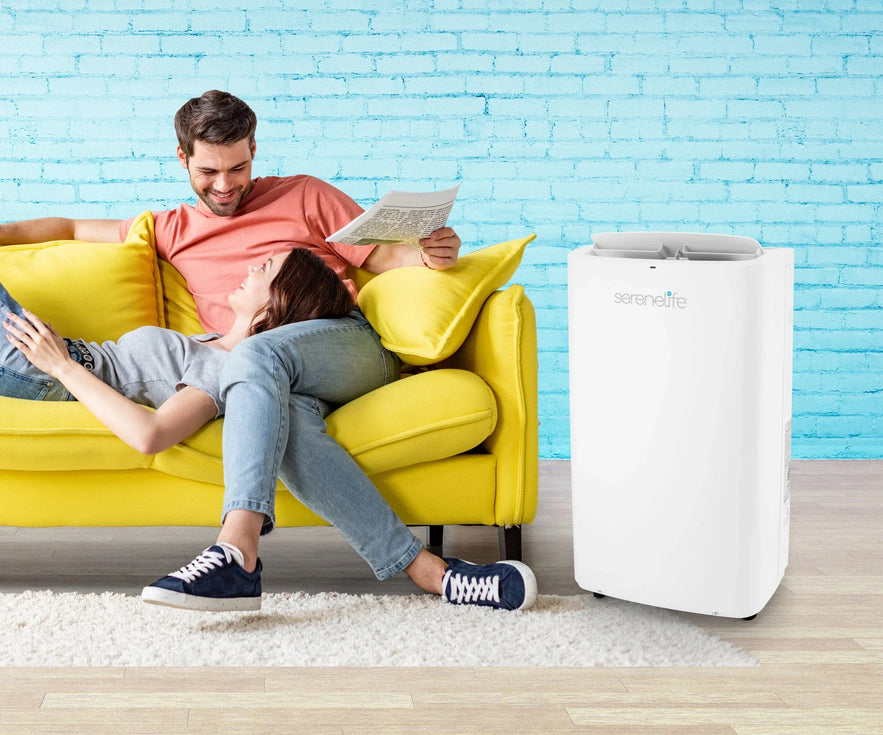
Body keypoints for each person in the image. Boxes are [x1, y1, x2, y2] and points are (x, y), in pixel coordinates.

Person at [0, 90, 537, 613]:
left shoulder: (305, 195)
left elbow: (387, 257)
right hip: (255, 373)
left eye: (237, 168)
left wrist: (431, 256)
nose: (226, 185)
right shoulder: (173, 228)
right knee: (282, 412)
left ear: (253, 149)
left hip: (338, 342)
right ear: (183, 158)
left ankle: (237, 550)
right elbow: (68, 227)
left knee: (253, 357)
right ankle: (433, 574)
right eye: (209, 172)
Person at [1, 248, 352, 455]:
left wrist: (61, 366)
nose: (252, 267)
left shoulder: (227, 367)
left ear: (283, 300)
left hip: (45, 372)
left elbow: (150, 435)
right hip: (48, 358)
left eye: (266, 268)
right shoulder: (214, 342)